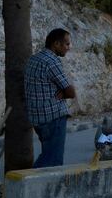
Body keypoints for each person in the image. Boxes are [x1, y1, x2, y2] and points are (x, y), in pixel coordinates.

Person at [25, 28, 76, 168]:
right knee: (52, 161)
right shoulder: (52, 62)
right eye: (66, 44)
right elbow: (71, 92)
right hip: (53, 117)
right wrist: (64, 92)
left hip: (38, 118)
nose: (68, 47)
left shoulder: (34, 58)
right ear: (56, 44)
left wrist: (62, 91)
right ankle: (25, 186)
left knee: (47, 155)